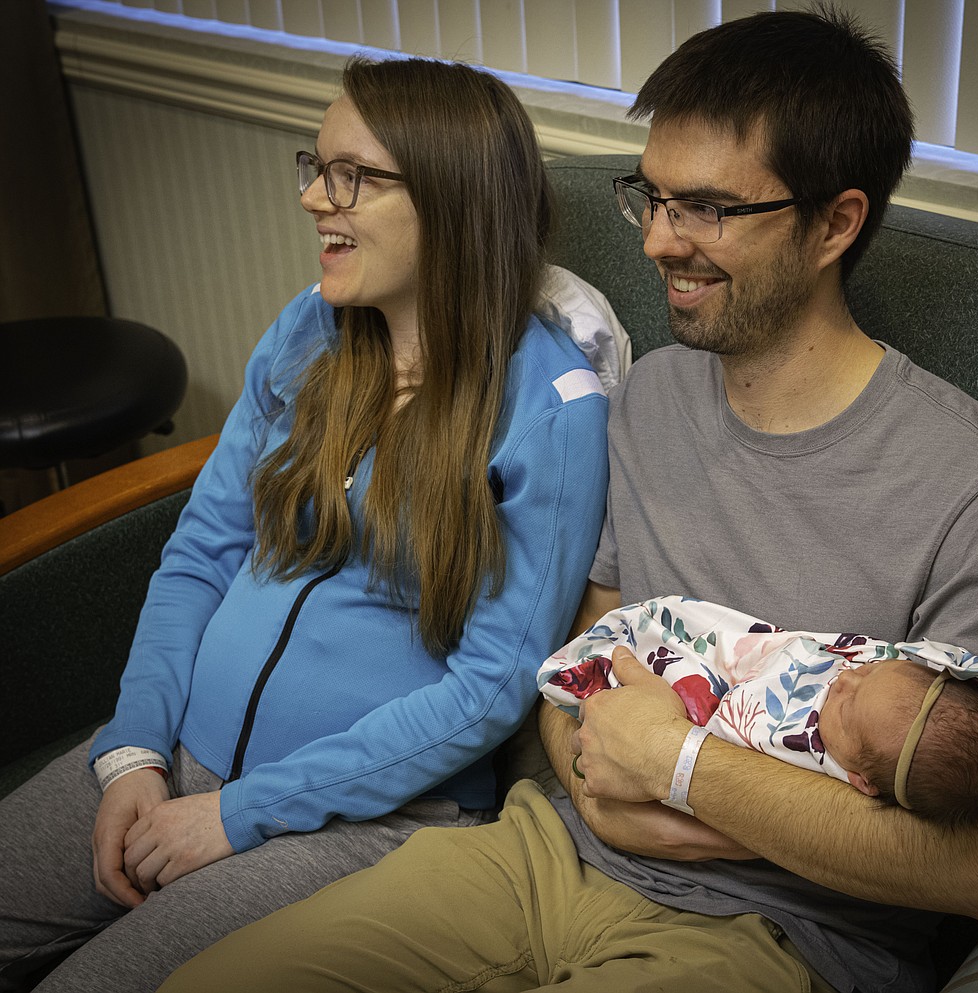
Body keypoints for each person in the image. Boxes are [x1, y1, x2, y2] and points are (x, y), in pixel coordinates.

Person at [161, 8, 978, 993]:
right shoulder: (644, 404)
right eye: (652, 197)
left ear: (834, 225)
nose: (659, 243)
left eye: (709, 208)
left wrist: (683, 771)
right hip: (536, 857)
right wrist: (593, 777)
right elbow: (575, 657)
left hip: (774, 935)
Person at [0, 56, 611, 993]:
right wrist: (132, 752)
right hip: (179, 750)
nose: (315, 200)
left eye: (351, 177)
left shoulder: (554, 412)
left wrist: (236, 814)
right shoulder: (308, 332)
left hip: (369, 816)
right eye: (316, 167)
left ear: (449, 198)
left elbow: (489, 690)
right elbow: (201, 555)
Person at [539, 596, 978, 825]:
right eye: (868, 674)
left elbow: (726, 728)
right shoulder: (887, 684)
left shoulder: (805, 751)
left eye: (846, 711)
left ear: (862, 781)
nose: (844, 681)